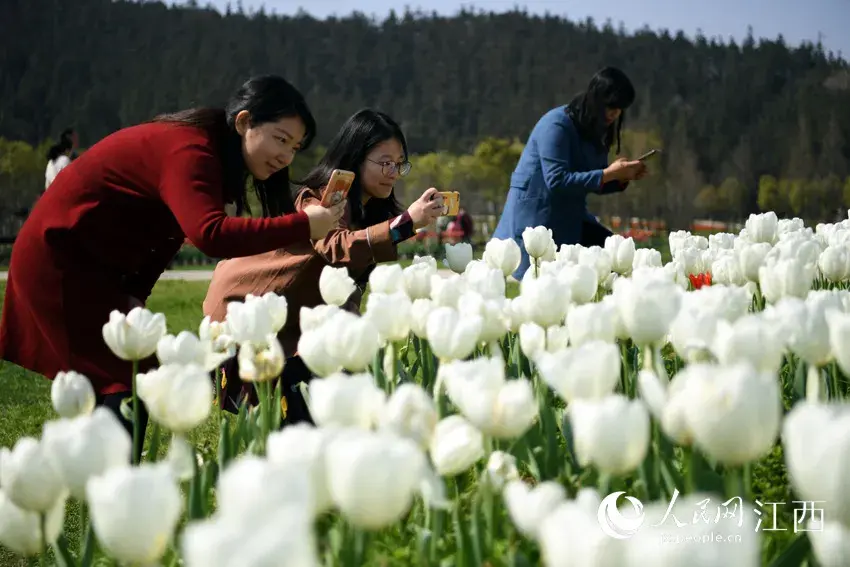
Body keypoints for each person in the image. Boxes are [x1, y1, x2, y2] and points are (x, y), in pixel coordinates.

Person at [0, 75, 345, 455]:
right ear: (244, 122)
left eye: (295, 147)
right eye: (281, 139)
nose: (287, 156)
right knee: (124, 384)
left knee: (132, 380)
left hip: (95, 266)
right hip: (60, 257)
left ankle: (106, 483)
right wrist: (304, 223)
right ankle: (111, 491)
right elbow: (209, 234)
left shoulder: (211, 152)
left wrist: (135, 295)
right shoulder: (191, 149)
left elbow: (164, 235)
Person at [202, 108, 444, 424]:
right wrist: (406, 223)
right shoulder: (317, 199)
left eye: (399, 164)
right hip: (250, 308)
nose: (394, 172)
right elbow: (336, 248)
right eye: (385, 162)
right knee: (301, 416)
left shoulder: (369, 213)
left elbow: (350, 284)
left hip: (298, 321)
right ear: (355, 157)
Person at [492, 66, 648, 280]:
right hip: (537, 220)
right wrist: (609, 173)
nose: (616, 113)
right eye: (611, 106)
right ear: (595, 99)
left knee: (620, 261)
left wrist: (621, 177)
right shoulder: (556, 125)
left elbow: (592, 180)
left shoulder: (597, 129)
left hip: (571, 218)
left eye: (621, 108)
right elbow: (557, 180)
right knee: (544, 281)